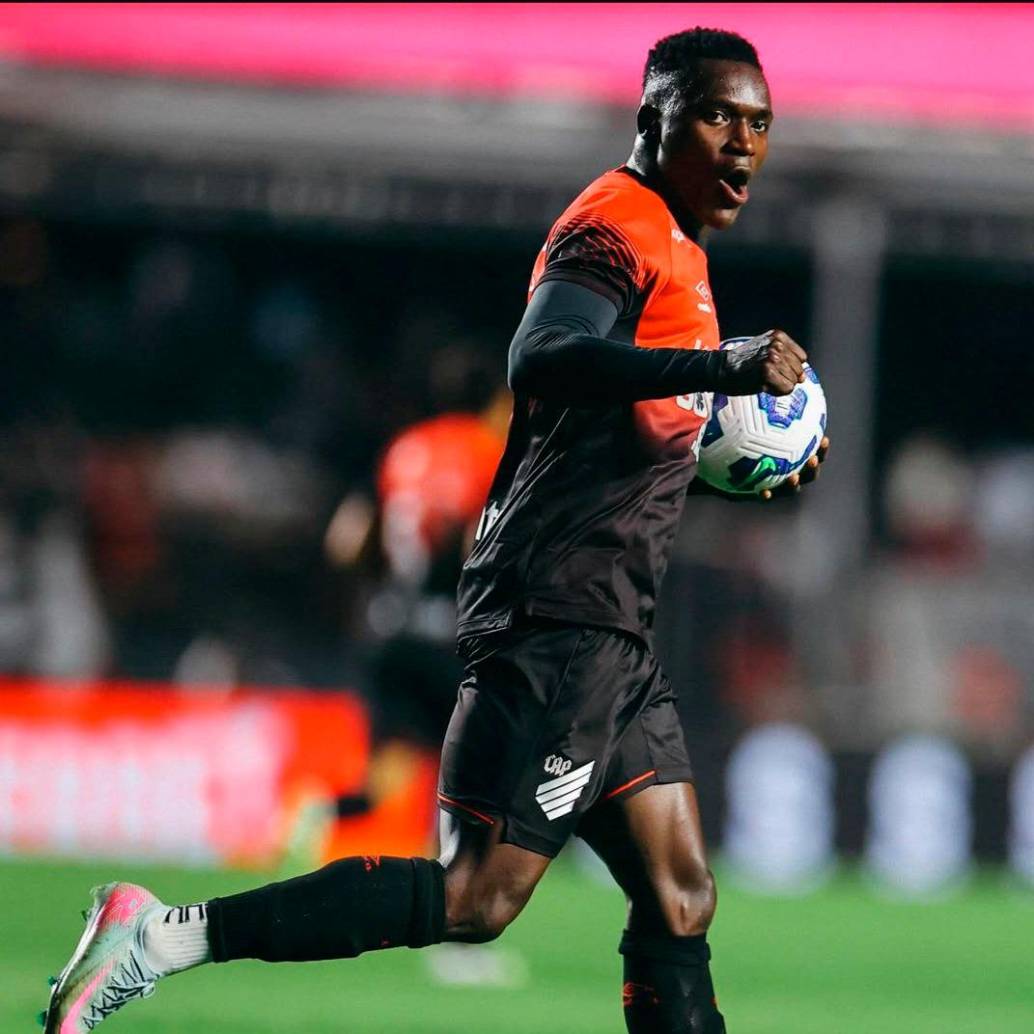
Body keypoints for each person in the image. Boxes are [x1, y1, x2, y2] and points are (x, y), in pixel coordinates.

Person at [42, 28, 828, 1034]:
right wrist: (719, 369)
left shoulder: (682, 253)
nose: (741, 146)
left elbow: (614, 453)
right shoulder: (616, 221)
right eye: (717, 116)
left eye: (758, 124)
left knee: (678, 893)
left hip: (611, 628)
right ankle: (156, 935)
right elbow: (544, 352)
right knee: (475, 898)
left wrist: (747, 466)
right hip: (556, 616)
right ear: (655, 118)